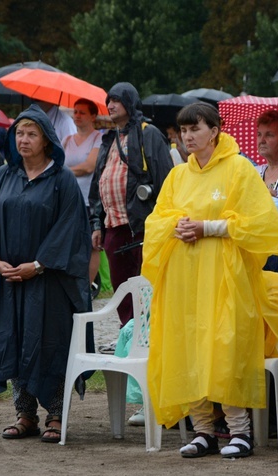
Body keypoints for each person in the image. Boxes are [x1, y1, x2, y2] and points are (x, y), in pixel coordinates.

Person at [142, 103, 278, 459]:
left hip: (225, 275)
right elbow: (156, 220)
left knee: (225, 347)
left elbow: (262, 223)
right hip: (185, 278)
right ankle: (203, 429)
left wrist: (208, 227)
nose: (188, 137)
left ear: (215, 130)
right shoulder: (178, 176)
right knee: (188, 346)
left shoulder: (239, 169)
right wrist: (177, 225)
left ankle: (239, 430)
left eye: (196, 129)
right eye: (183, 131)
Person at [0, 104, 91, 443]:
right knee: (14, 340)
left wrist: (39, 265)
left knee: (49, 343)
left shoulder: (62, 180)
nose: (24, 140)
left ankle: (56, 415)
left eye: (32, 134)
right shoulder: (4, 177)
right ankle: (25, 414)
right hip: (12, 279)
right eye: (19, 133)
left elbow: (71, 229)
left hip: (49, 282)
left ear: (47, 141)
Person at [89, 82, 172, 326]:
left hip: (143, 226)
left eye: (116, 100)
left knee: (146, 288)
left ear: (130, 102)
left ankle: (149, 340)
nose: (110, 105)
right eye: (108, 102)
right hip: (114, 226)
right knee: (122, 290)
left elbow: (166, 181)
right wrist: (96, 224)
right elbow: (97, 186)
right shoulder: (109, 140)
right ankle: (129, 335)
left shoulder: (149, 133)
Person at [63, 98, 103, 286]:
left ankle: (87, 285)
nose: (77, 116)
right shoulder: (67, 140)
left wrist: (64, 172)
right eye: (75, 112)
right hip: (69, 199)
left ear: (93, 116)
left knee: (92, 245)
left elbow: (89, 166)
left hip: (90, 199)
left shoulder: (99, 138)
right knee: (69, 242)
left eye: (82, 112)